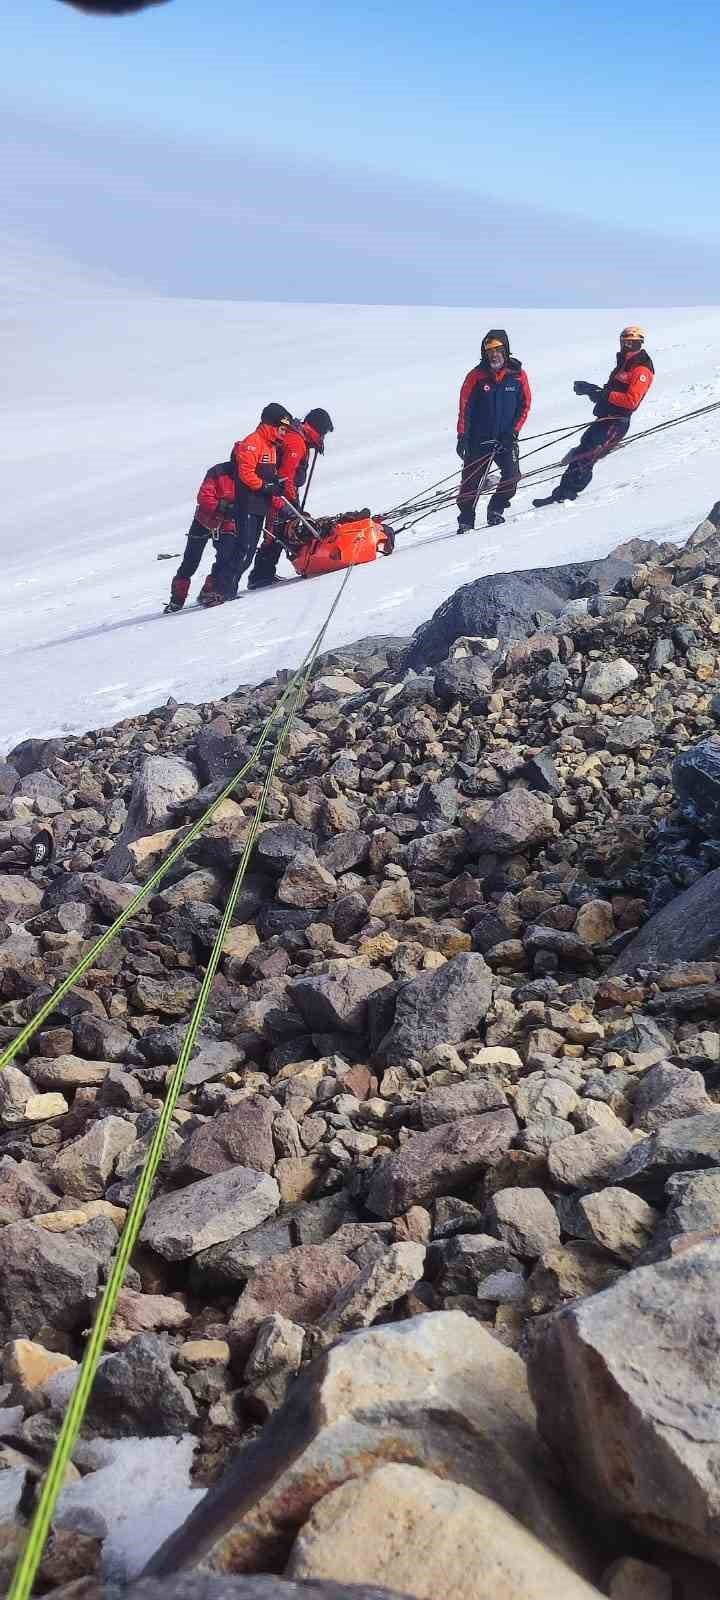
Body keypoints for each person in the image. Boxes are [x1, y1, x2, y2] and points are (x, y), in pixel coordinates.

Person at [533, 326, 655, 508]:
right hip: (606, 417)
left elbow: (631, 401)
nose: (626, 345)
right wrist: (592, 391)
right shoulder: (625, 363)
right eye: (624, 341)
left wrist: (601, 393)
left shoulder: (641, 368)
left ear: (639, 343)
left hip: (617, 421)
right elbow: (612, 392)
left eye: (631, 342)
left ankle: (567, 495)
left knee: (587, 456)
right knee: (582, 450)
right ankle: (561, 493)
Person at [194, 403, 292, 608]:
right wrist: (266, 486)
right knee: (243, 550)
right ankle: (222, 591)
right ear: (272, 425)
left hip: (259, 505)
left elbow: (267, 475)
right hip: (247, 504)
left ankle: (226, 590)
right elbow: (246, 474)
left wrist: (275, 487)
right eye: (282, 429)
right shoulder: (252, 443)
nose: (284, 434)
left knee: (247, 551)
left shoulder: (271, 447)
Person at [246, 408, 334, 589]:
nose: (322, 437)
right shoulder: (296, 442)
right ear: (316, 428)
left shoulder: (299, 438)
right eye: (323, 432)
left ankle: (264, 574)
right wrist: (292, 502)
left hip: (283, 492)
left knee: (280, 531)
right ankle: (260, 576)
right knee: (276, 531)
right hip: (279, 495)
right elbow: (285, 475)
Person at [456, 330, 532, 531]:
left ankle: (496, 509)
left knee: (512, 475)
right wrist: (462, 435)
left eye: (498, 350)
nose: (494, 354)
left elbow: (525, 406)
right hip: (478, 439)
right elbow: (464, 406)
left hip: (505, 439)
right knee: (471, 482)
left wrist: (513, 432)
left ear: (505, 350)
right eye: (490, 351)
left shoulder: (518, 376)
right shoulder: (476, 376)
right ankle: (466, 520)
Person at [165, 458, 238, 612]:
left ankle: (210, 591)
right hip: (204, 520)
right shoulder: (217, 472)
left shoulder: (249, 475)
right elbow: (204, 497)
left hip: (227, 523)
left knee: (226, 557)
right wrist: (222, 506)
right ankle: (177, 599)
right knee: (190, 562)